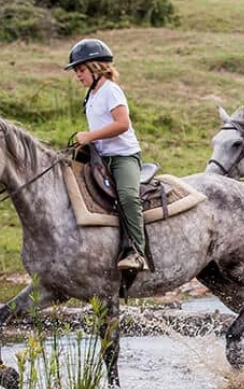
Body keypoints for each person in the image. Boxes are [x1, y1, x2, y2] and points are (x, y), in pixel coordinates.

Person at [65, 38, 148, 271]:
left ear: (96, 67)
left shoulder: (111, 91)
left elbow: (122, 124)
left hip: (123, 157)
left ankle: (137, 252)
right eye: (76, 71)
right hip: (100, 157)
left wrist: (90, 136)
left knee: (128, 196)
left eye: (80, 70)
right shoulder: (91, 95)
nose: (78, 76)